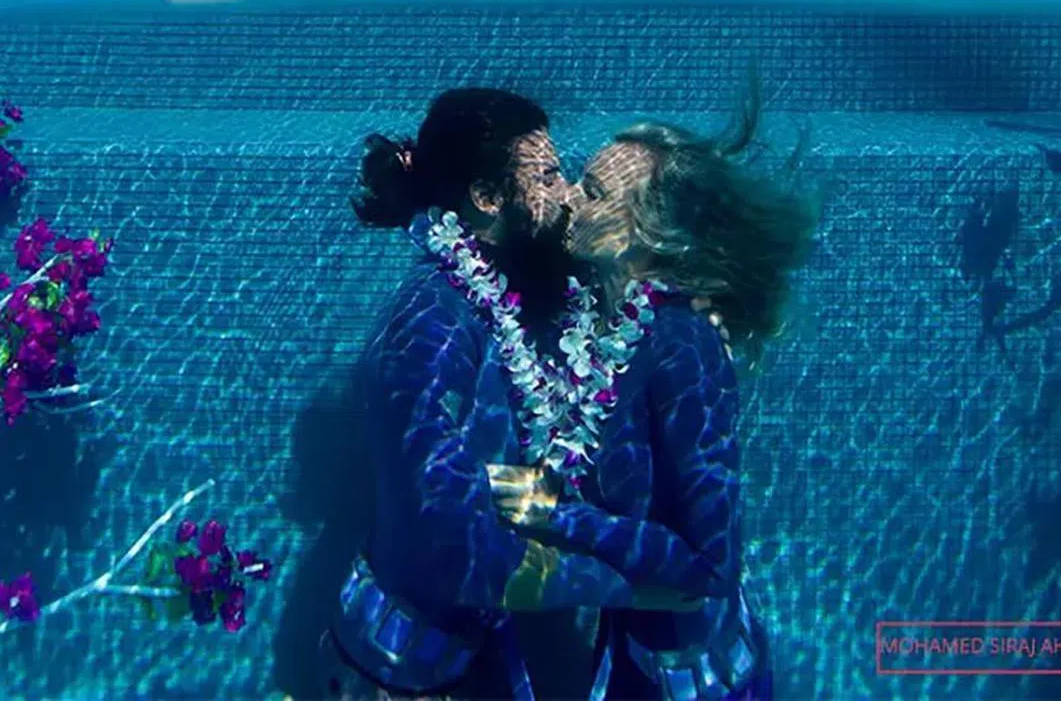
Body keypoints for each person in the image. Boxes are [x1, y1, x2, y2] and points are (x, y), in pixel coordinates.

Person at [325, 88, 700, 701]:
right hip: (397, 671)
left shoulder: (524, 279)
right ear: (487, 198)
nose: (569, 193)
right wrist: (630, 584)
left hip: (476, 644)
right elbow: (444, 538)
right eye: (549, 176)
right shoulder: (430, 332)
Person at [487, 95, 819, 699]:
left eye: (593, 192)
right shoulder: (600, 315)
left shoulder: (682, 347)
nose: (568, 199)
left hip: (695, 681)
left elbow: (710, 566)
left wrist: (551, 511)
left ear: (647, 232)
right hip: (628, 658)